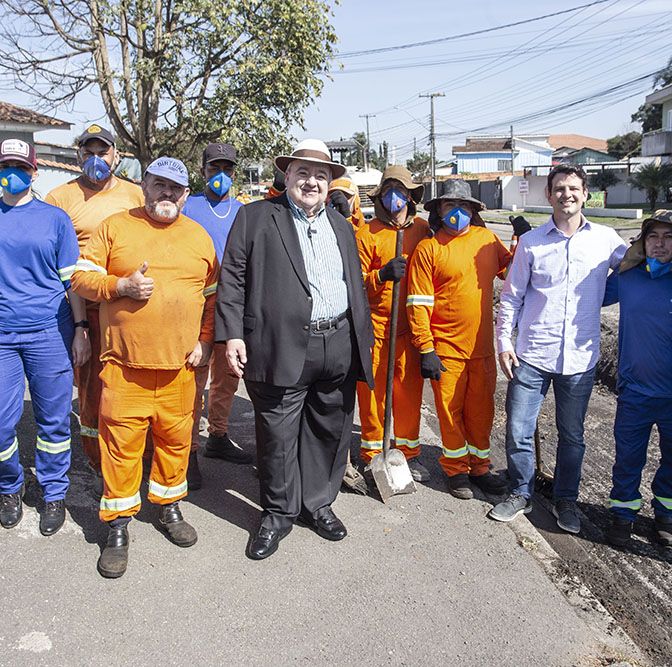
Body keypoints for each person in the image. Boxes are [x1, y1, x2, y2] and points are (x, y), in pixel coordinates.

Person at [215, 139, 374, 560]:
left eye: (320, 175)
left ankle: (317, 503)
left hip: (337, 341)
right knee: (278, 436)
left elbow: (352, 284)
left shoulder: (341, 223)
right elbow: (232, 279)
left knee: (330, 428)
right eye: (303, 173)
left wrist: (360, 337)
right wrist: (232, 334)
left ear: (330, 182)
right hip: (279, 344)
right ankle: (278, 513)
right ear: (287, 176)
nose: (311, 181)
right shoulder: (255, 217)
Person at [71, 157, 219, 578]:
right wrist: (120, 286)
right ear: (144, 186)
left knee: (175, 445)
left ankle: (169, 508)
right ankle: (117, 528)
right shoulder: (115, 227)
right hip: (124, 368)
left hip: (180, 370)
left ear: (186, 195)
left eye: (175, 188)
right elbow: (80, 279)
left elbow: (211, 298)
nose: (166, 194)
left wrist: (206, 341)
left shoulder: (199, 237)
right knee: (121, 450)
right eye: (159, 185)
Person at [0, 138, 88, 536]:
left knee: (53, 422)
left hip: (50, 332)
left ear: (34, 172)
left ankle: (53, 492)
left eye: (21, 167)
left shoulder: (55, 219)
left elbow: (72, 281)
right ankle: (10, 485)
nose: (13, 173)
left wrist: (81, 330)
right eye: (5, 166)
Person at [488, 164, 627, 530]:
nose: (567, 194)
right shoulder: (533, 242)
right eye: (560, 188)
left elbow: (639, 267)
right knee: (518, 429)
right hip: (531, 354)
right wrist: (504, 341)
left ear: (586, 194)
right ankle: (520, 492)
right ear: (548, 195)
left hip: (580, 358)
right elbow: (511, 296)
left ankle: (566, 500)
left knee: (573, 436)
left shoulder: (607, 240)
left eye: (574, 188)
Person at [45, 125, 145, 474]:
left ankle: (129, 452)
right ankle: (96, 458)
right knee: (90, 387)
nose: (96, 159)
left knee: (129, 383)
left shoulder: (136, 195)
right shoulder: (59, 199)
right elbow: (60, 267)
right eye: (88, 152)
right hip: (83, 307)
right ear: (78, 156)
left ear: (116, 155)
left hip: (128, 305)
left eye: (103, 152)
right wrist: (80, 327)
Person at [406, 179, 512, 500]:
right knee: (451, 414)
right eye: (450, 206)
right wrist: (426, 348)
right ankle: (456, 471)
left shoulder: (487, 241)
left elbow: (513, 271)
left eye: (463, 206)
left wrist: (526, 241)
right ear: (439, 210)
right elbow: (417, 304)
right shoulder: (429, 249)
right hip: (446, 352)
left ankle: (480, 467)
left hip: (481, 350)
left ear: (473, 210)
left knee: (481, 412)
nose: (457, 212)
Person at [600, 211, 672, 548]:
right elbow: (581, 296)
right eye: (653, 236)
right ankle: (623, 514)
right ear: (643, 241)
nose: (659, 243)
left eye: (669, 237)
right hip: (634, 391)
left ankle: (666, 516)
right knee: (628, 457)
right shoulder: (627, 278)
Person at [182, 142, 252, 490]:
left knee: (227, 377)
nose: (221, 176)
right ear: (203, 171)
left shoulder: (244, 211)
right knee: (194, 379)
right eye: (214, 169)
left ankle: (218, 436)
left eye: (227, 169)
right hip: (195, 305)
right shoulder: (187, 206)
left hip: (232, 306)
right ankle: (188, 451)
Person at [355, 166, 431, 483]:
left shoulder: (424, 230)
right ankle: (373, 455)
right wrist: (381, 276)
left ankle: (407, 454)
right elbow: (354, 285)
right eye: (388, 192)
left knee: (408, 396)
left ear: (412, 196)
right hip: (374, 330)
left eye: (401, 191)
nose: (394, 198)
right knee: (372, 396)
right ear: (380, 198)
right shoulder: (367, 234)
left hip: (409, 331)